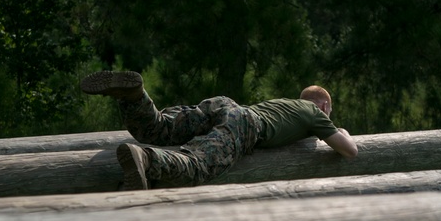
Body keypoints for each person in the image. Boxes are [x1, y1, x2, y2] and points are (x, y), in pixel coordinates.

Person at [80, 70, 358, 190]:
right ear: (323, 105)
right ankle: (148, 160)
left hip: (225, 106)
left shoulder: (285, 104)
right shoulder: (315, 114)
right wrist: (341, 130)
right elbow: (349, 151)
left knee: (160, 130)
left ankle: (134, 97)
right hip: (245, 125)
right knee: (198, 165)